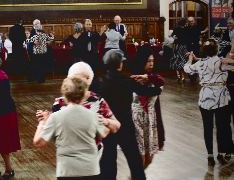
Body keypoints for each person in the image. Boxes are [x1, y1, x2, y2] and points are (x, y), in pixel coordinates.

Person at [99, 49, 162, 180]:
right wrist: (157, 87)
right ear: (120, 64)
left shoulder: (100, 82)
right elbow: (150, 91)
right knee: (135, 162)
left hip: (108, 126)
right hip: (125, 125)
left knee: (108, 159)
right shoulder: (127, 81)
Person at [33, 76, 110, 179]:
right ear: (83, 94)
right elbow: (104, 133)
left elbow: (39, 142)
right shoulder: (93, 116)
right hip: (90, 168)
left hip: (67, 169)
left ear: (64, 94)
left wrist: (43, 122)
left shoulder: (55, 117)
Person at [184, 39, 234, 166]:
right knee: (221, 127)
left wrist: (191, 59)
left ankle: (210, 156)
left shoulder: (200, 63)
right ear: (216, 49)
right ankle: (221, 154)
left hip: (205, 98)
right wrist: (231, 60)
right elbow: (220, 63)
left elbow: (187, 68)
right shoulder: (221, 61)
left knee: (208, 127)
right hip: (220, 98)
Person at [130, 47, 165, 168]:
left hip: (151, 119)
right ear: (142, 61)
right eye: (148, 61)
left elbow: (160, 84)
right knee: (140, 155)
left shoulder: (155, 77)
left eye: (153, 61)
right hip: (137, 119)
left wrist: (149, 78)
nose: (151, 64)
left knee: (149, 158)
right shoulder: (134, 78)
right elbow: (145, 91)